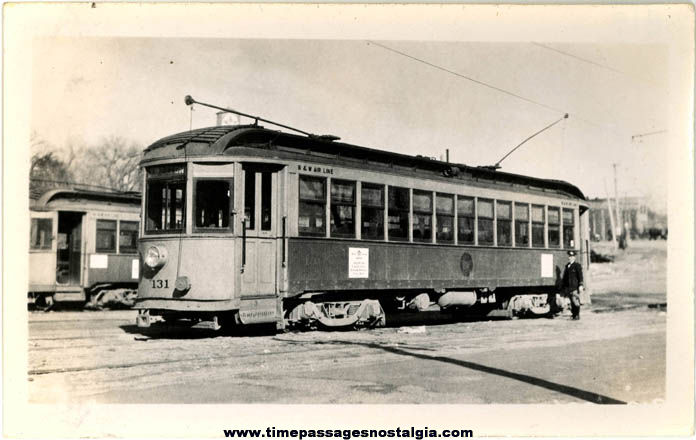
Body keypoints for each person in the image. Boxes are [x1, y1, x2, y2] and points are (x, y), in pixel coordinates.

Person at [561, 250, 584, 320]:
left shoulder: (577, 266)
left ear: (574, 257)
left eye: (572, 256)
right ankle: (574, 315)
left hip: (575, 286)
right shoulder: (567, 266)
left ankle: (577, 315)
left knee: (575, 301)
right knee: (571, 301)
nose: (571, 258)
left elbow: (580, 276)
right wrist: (564, 286)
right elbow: (565, 277)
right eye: (570, 256)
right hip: (569, 287)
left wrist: (581, 285)